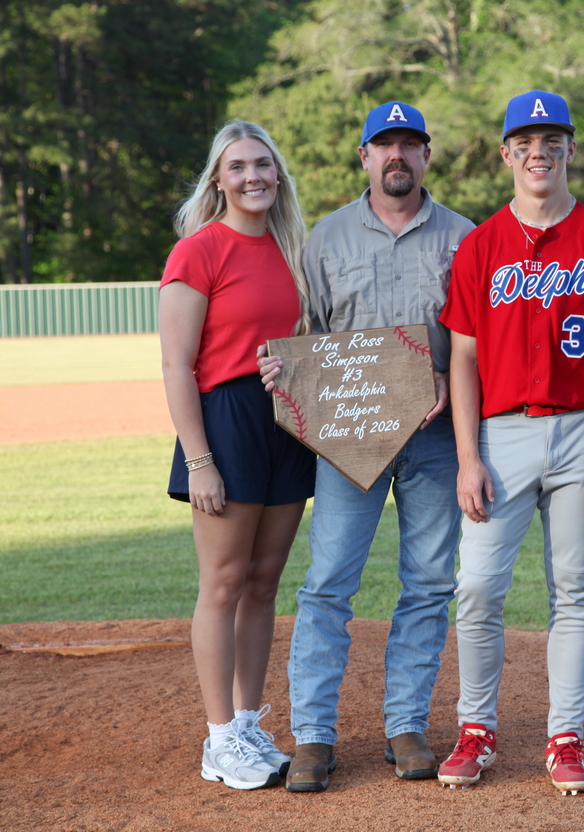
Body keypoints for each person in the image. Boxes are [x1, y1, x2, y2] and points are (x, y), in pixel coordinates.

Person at [258, 101, 474, 792]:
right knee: (327, 583)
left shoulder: (465, 238)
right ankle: (314, 735)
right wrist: (284, 370)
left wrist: (447, 376)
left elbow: (477, 343)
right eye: (385, 145)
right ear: (365, 156)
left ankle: (406, 725)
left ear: (426, 156)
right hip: (349, 437)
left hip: (435, 439)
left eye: (410, 145)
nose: (397, 156)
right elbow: (309, 337)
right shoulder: (325, 239)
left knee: (428, 584)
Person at [435, 91, 584, 796]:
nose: (538, 153)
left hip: (582, 429)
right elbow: (463, 358)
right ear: (505, 155)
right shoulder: (481, 244)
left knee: (574, 590)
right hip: (501, 434)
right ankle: (476, 728)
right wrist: (468, 457)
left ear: (570, 149)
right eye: (524, 143)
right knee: (477, 587)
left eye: (551, 141)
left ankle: (566, 737)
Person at [159, 121, 316, 790]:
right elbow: (177, 365)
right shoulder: (198, 251)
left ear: (278, 174)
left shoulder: (293, 250)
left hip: (285, 419)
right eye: (238, 166)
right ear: (219, 181)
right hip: (226, 421)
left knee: (264, 581)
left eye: (263, 164)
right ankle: (220, 738)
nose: (253, 175)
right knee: (223, 582)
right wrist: (199, 460)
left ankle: (249, 722)